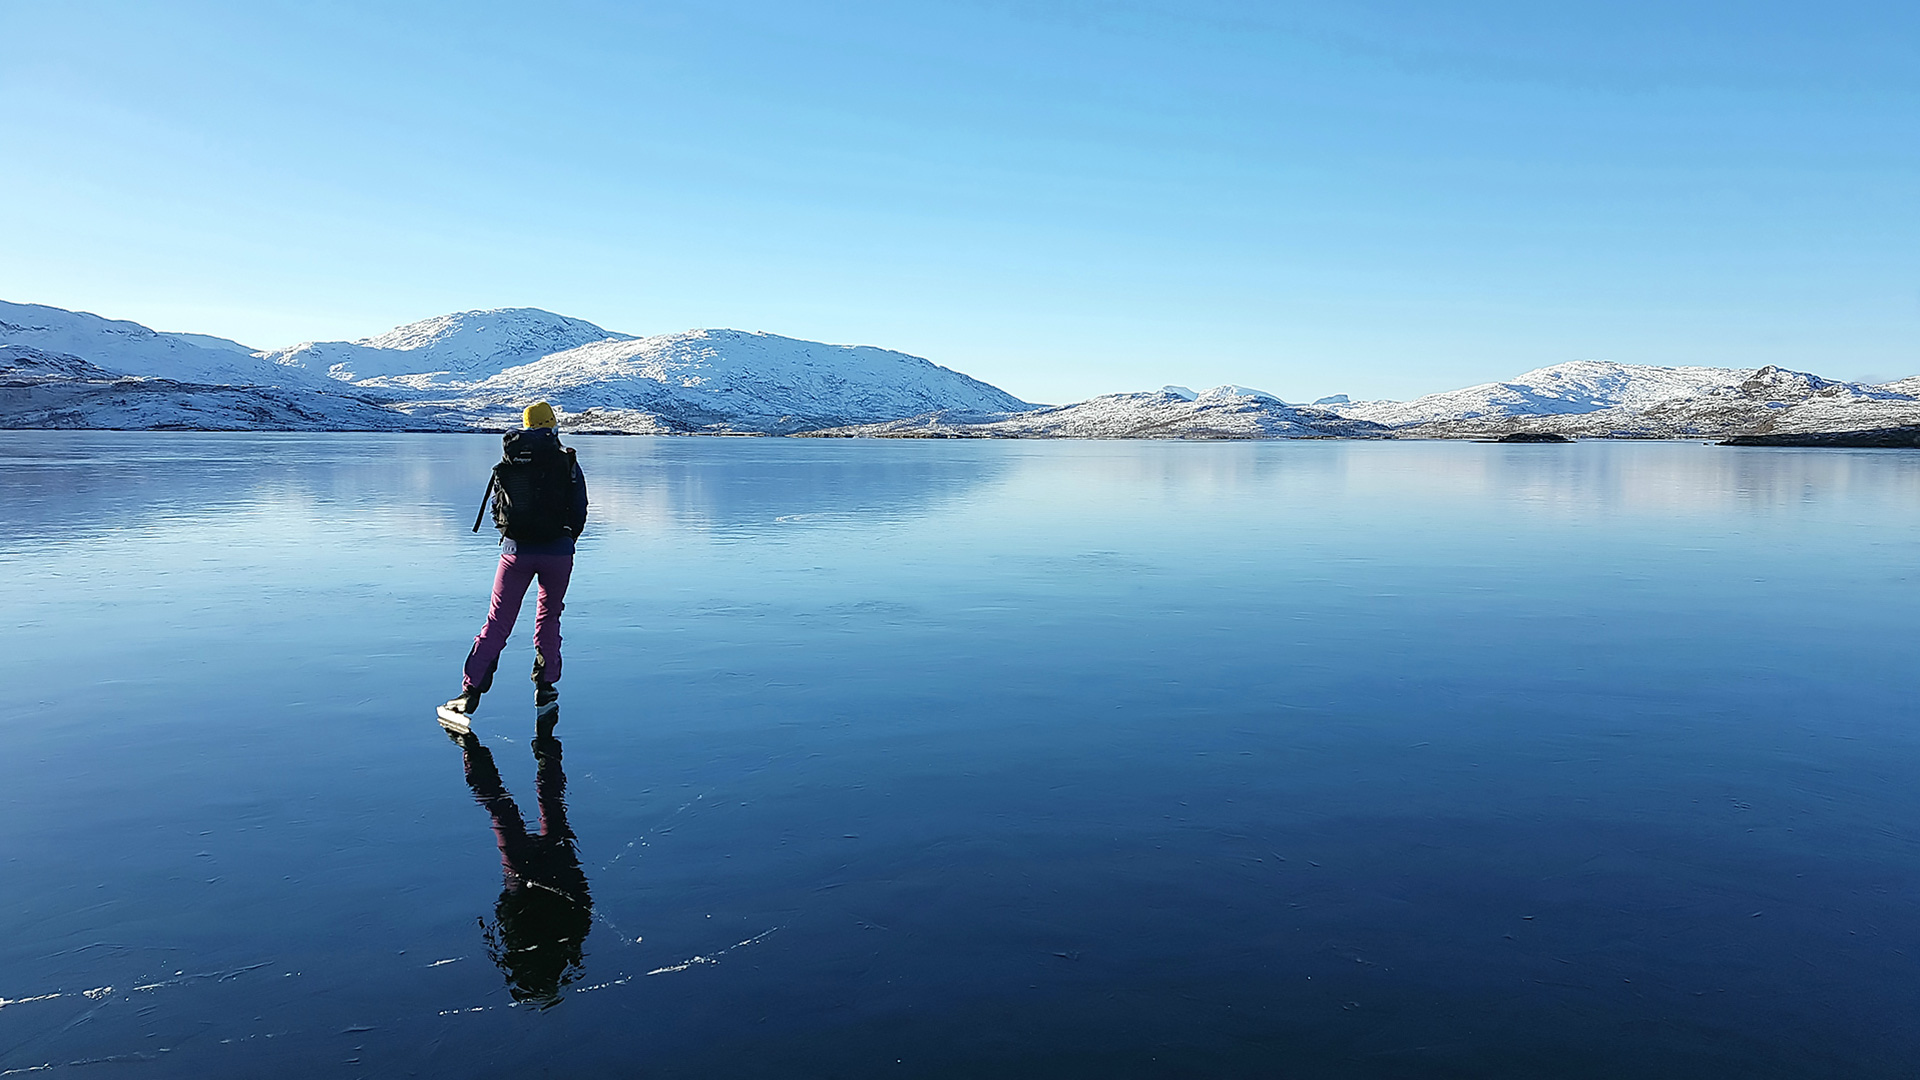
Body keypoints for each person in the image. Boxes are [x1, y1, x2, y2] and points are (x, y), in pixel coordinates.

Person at [445, 402, 588, 719]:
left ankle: (468, 695)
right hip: (559, 554)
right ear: (552, 425)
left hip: (515, 552)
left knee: (497, 622)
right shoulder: (568, 462)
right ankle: (546, 689)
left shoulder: (511, 461)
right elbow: (579, 511)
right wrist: (566, 540)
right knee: (548, 619)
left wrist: (516, 538)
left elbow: (499, 509)